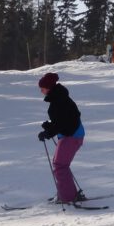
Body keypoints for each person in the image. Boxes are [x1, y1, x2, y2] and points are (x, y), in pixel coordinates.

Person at [37, 72, 85, 203]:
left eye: (42, 88)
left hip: (72, 136)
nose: (41, 90)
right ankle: (67, 194)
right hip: (70, 135)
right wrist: (49, 127)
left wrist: (48, 132)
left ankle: (69, 197)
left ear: (49, 87)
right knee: (60, 164)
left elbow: (63, 122)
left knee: (60, 165)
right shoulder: (59, 98)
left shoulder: (59, 101)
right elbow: (62, 121)